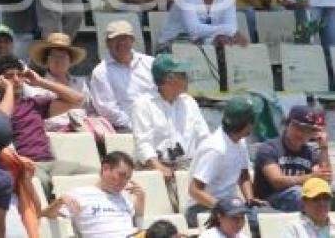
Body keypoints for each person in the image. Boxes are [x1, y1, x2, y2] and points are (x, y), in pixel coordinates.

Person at [0, 54, 88, 198]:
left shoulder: (34, 103)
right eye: (10, 76)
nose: (16, 80)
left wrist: (40, 82)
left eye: (20, 75)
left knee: (92, 174)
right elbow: (1, 118)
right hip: (23, 165)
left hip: (49, 163)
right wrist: (8, 89)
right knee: (42, 182)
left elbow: (78, 99)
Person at [186, 96, 265, 227]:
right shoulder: (215, 149)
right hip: (201, 208)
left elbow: (243, 175)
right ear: (248, 124)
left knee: (271, 215)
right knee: (259, 223)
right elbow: (194, 190)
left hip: (230, 204)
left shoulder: (240, 141)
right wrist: (223, 208)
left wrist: (250, 199)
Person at [131, 54, 210, 179]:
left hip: (189, 167)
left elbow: (204, 137)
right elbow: (143, 143)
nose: (187, 78)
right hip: (155, 170)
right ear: (169, 78)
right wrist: (158, 167)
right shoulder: (142, 104)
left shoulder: (189, 102)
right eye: (183, 74)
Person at [253, 105, 331, 211]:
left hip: (300, 198)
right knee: (299, 194)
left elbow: (325, 179)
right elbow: (277, 182)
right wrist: (312, 177)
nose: (301, 133)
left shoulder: (310, 152)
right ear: (287, 124)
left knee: (325, 192)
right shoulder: (269, 148)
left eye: (307, 130)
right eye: (297, 127)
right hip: (270, 201)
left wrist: (323, 147)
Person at [49, 152, 145, 238]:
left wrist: (141, 199)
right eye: (121, 175)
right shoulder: (80, 194)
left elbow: (137, 223)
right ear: (105, 169)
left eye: (127, 178)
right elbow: (45, 216)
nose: (124, 181)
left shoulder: (123, 198)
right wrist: (59, 201)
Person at [90, 20, 156, 131]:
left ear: (132, 40)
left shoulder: (151, 63)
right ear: (107, 43)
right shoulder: (101, 72)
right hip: (125, 128)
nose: (121, 43)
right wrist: (137, 125)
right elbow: (107, 110)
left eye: (125, 38)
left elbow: (163, 94)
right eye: (116, 39)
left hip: (157, 122)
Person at [28, 32, 91, 132]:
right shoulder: (36, 87)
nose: (58, 60)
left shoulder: (81, 83)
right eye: (53, 56)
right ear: (47, 61)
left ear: (70, 61)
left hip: (84, 133)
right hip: (54, 135)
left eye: (63, 56)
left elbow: (89, 109)